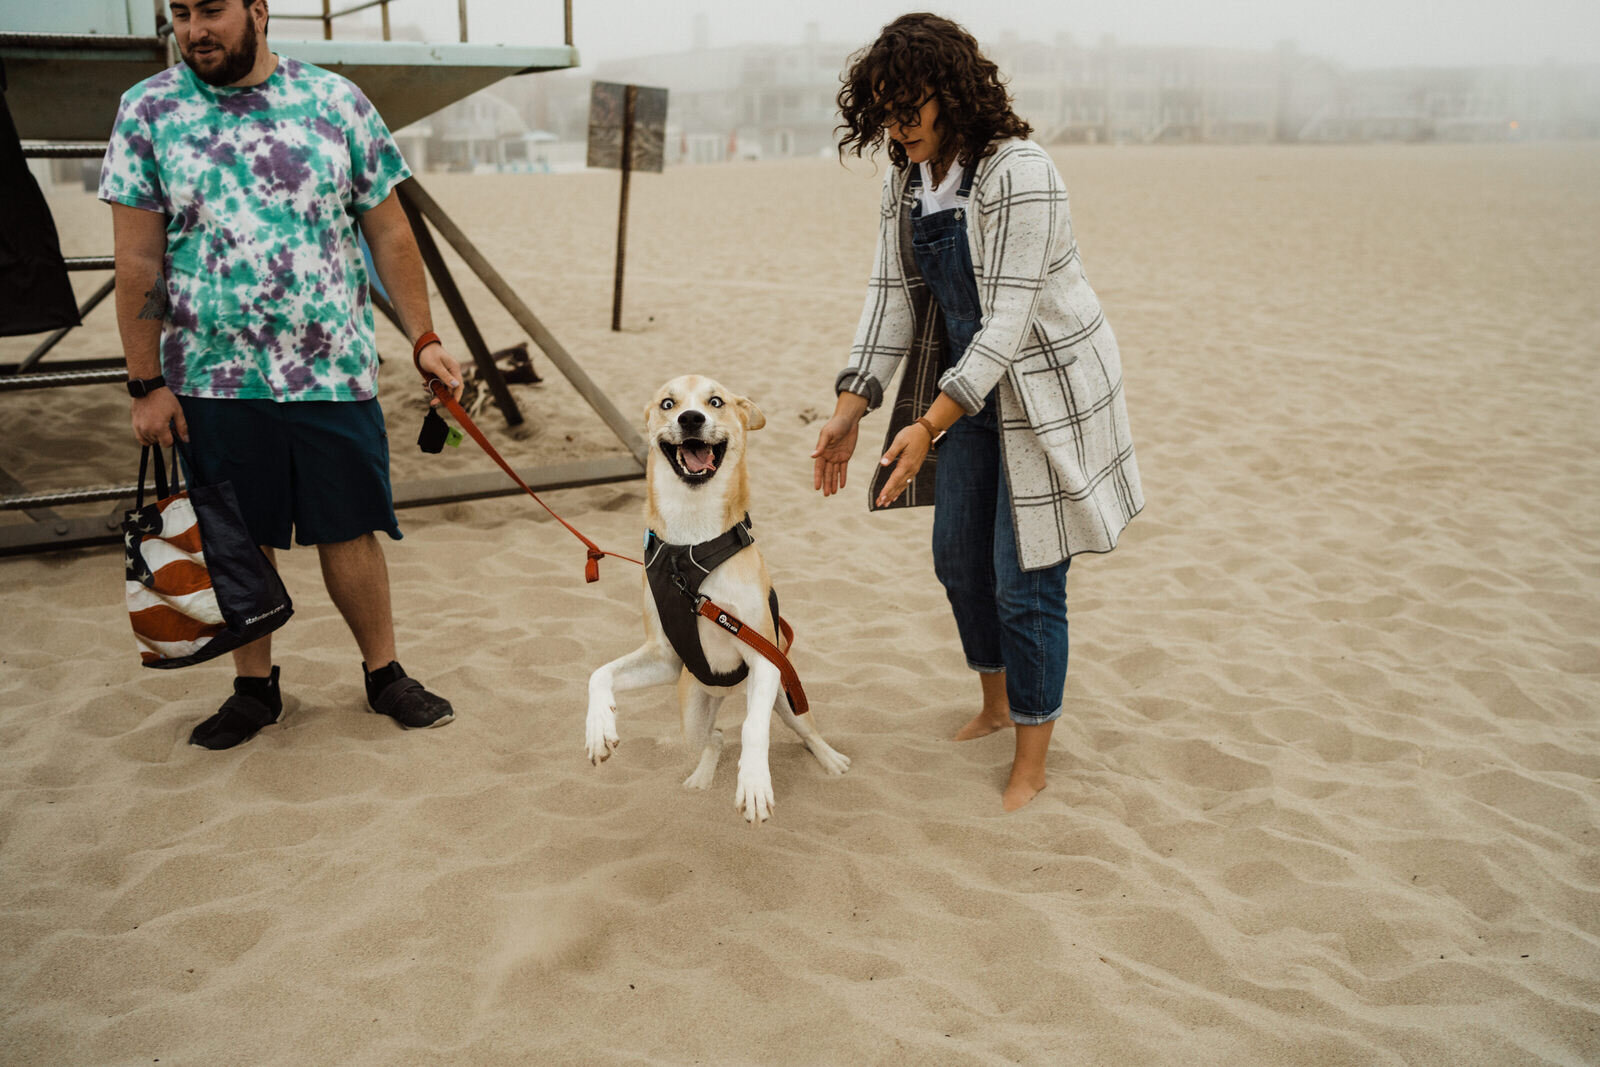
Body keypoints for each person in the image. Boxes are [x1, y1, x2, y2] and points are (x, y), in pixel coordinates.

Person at [102, 0, 466, 749]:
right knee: (241, 533)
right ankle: (254, 688)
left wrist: (424, 337)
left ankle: (385, 671)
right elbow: (139, 259)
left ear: (259, 11)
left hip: (332, 368)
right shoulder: (147, 110)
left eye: (211, 10)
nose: (194, 29)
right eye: (180, 12)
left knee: (352, 527)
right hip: (211, 375)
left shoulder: (335, 101)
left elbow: (389, 229)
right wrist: (146, 384)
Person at [811, 14, 1144, 811]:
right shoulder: (908, 180)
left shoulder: (1020, 172)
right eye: (884, 109)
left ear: (952, 93)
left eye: (909, 105)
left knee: (1024, 576)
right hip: (968, 395)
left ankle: (1031, 754)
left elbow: (1008, 323)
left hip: (1042, 392)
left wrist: (926, 426)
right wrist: (852, 405)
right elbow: (891, 296)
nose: (898, 124)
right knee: (958, 560)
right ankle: (995, 706)